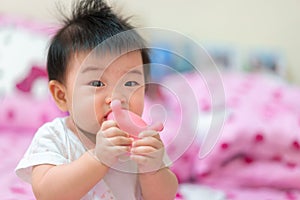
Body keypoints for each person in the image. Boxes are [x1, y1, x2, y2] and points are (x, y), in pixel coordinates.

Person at [15, 0, 178, 199]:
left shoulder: (140, 141)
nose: (117, 98)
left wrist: (153, 169)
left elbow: (164, 196)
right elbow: (47, 193)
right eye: (97, 84)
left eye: (130, 83)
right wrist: (98, 158)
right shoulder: (56, 137)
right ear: (61, 95)